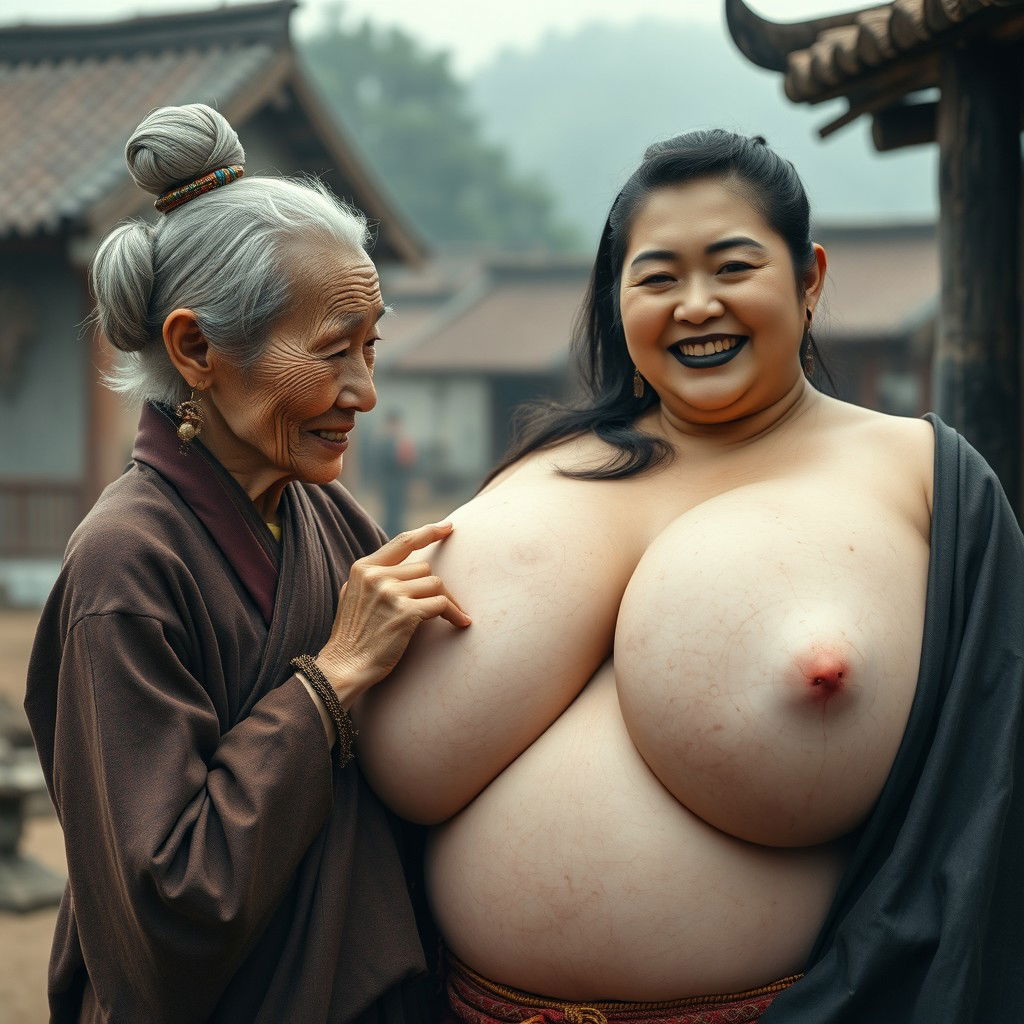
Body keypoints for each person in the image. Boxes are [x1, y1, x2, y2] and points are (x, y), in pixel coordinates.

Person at [355, 130, 1024, 1023]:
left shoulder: (928, 484)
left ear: (809, 276)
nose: (696, 305)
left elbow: (991, 812)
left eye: (732, 267)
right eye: (659, 278)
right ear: (617, 298)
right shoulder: (538, 469)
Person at [24, 103, 471, 1024]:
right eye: (332, 351)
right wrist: (331, 681)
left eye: (372, 347)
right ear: (197, 349)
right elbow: (169, 903)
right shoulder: (124, 568)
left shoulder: (320, 510)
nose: (366, 392)